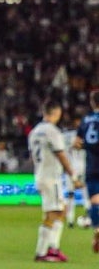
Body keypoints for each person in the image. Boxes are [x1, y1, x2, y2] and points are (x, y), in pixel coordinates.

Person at [28, 99, 80, 262]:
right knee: (53, 213)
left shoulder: (34, 131)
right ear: (56, 113)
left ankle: (52, 248)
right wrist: (73, 175)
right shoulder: (52, 131)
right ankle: (43, 251)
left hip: (40, 174)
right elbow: (61, 154)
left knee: (60, 210)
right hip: (51, 177)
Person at [75, 89, 99, 252]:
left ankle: (97, 229)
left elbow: (76, 143)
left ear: (92, 102)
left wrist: (88, 147)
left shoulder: (86, 120)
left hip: (91, 166)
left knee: (94, 201)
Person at [63, 117, 90, 227]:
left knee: (85, 192)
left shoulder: (86, 134)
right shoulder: (69, 136)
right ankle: (70, 220)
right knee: (71, 194)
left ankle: (88, 215)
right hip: (72, 169)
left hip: (83, 168)